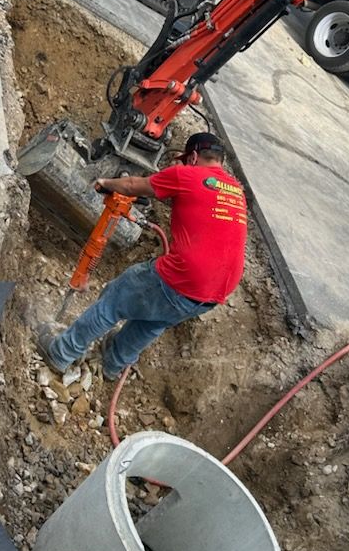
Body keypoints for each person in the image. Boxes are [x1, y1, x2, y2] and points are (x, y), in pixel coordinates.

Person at [37, 133, 248, 381]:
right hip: (216, 292)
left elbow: (130, 186)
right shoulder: (236, 191)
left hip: (185, 275)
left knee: (114, 300)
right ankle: (112, 365)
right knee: (155, 320)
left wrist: (105, 182)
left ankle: (62, 352)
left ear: (192, 156)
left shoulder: (187, 174)